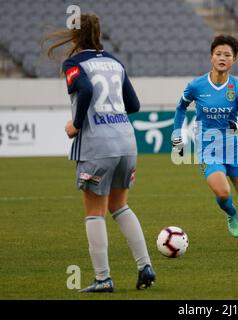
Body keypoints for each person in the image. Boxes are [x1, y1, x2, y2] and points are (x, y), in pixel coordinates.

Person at [45, 13, 156, 292]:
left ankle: (103, 278)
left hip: (98, 145)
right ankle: (145, 266)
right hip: (126, 142)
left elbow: (84, 90)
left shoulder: (74, 64)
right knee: (120, 206)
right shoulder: (115, 63)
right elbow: (134, 104)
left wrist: (77, 124)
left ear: (74, 35)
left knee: (95, 212)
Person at [171, 34, 238, 252]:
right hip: (208, 148)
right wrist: (177, 131)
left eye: (227, 55)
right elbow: (181, 108)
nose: (222, 57)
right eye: (219, 53)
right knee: (223, 194)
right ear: (211, 57)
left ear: (234, 60)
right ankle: (230, 213)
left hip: (234, 147)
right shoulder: (196, 85)